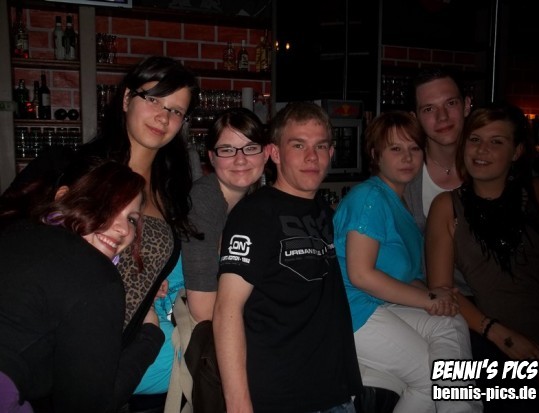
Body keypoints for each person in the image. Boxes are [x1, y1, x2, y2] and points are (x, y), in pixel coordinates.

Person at [2, 56, 199, 349]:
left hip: (116, 354)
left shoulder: (173, 192)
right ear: (127, 98)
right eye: (154, 100)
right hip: (43, 344)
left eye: (176, 110)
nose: (163, 117)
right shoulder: (67, 168)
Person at [212, 102, 362, 413]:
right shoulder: (255, 215)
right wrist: (238, 404)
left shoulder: (323, 210)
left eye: (321, 146)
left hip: (334, 391)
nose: (312, 156)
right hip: (282, 397)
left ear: (331, 153)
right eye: (298, 145)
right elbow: (227, 309)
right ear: (275, 153)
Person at [333, 111, 482, 413]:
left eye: (414, 148)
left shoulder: (398, 203)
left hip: (375, 306)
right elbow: (361, 275)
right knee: (430, 378)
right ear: (376, 154)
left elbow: (404, 278)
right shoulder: (370, 198)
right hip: (349, 310)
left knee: (450, 321)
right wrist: (428, 298)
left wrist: (438, 297)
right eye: (395, 148)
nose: (407, 157)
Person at [0, 160, 165, 413]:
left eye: (132, 219)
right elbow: (89, 406)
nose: (123, 229)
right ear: (63, 197)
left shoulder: (15, 233)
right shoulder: (96, 276)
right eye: (109, 205)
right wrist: (151, 336)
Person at [132, 108, 269, 408]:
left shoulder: (249, 205)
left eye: (250, 148)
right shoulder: (205, 200)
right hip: (162, 338)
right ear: (211, 157)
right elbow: (204, 310)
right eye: (227, 150)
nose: (240, 159)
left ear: (267, 153)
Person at [425, 102, 539, 412]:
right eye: (475, 139)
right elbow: (441, 291)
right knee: (446, 385)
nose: (482, 150)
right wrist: (502, 336)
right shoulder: (447, 206)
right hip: (492, 340)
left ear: (517, 151)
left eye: (496, 141)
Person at [403, 67, 472, 295]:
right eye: (429, 108)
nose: (442, 117)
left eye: (450, 103)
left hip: (488, 300)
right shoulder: (402, 176)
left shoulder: (494, 167)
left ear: (467, 105)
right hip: (424, 300)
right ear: (415, 118)